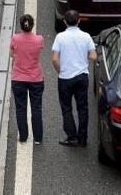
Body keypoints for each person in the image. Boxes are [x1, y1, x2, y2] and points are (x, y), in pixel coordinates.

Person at [51, 10, 97, 146]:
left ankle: (72, 136)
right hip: (82, 77)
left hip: (65, 77)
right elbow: (93, 56)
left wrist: (60, 70)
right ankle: (83, 138)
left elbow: (54, 59)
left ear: (64, 21)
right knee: (82, 108)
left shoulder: (60, 37)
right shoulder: (86, 36)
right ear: (79, 20)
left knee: (66, 108)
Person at [10, 14, 45, 144]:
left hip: (18, 78)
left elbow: (11, 54)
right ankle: (38, 138)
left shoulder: (15, 39)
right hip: (36, 78)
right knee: (36, 108)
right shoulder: (39, 39)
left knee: (20, 108)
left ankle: (23, 136)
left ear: (21, 25)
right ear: (32, 25)